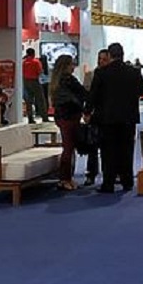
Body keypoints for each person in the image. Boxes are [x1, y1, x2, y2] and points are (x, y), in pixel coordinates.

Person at [89, 42, 143, 193]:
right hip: (128, 117)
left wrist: (87, 112)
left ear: (110, 55)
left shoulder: (101, 73)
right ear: (123, 54)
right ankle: (127, 181)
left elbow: (93, 95)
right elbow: (142, 91)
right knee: (126, 150)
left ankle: (108, 183)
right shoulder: (134, 72)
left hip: (107, 118)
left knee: (108, 151)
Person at [50, 54, 89, 192]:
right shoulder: (64, 81)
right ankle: (64, 179)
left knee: (70, 148)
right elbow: (74, 98)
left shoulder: (65, 80)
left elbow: (82, 94)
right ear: (65, 66)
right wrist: (84, 109)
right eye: (71, 64)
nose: (74, 67)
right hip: (66, 117)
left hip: (69, 117)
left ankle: (68, 178)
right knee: (68, 148)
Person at [82, 48, 109, 184]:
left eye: (104, 59)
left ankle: (109, 174)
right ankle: (91, 174)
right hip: (95, 115)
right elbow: (88, 95)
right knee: (92, 146)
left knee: (107, 148)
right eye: (99, 59)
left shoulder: (112, 76)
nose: (101, 62)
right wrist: (87, 112)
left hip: (109, 116)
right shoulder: (91, 75)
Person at [22, 48, 49, 123]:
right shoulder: (36, 62)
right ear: (33, 54)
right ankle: (44, 117)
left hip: (26, 81)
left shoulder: (24, 62)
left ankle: (30, 118)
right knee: (41, 99)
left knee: (29, 101)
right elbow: (40, 71)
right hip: (35, 81)